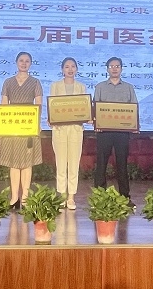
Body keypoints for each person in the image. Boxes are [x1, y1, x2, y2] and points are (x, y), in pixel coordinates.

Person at [0, 52, 43, 208]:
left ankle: (25, 197)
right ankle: (14, 197)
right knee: (13, 163)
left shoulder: (35, 82)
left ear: (31, 63)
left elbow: (38, 105)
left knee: (27, 163)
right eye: (21, 60)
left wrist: (36, 123)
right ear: (16, 62)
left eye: (27, 61)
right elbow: (4, 104)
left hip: (28, 125)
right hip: (12, 125)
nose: (24, 63)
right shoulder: (8, 82)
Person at [93, 57, 138, 210]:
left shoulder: (129, 87)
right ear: (107, 69)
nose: (114, 69)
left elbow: (134, 107)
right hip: (104, 132)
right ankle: (99, 198)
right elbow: (95, 107)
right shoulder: (100, 87)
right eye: (111, 66)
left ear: (121, 68)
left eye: (117, 66)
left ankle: (125, 197)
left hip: (122, 133)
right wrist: (96, 123)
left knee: (122, 165)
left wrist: (134, 125)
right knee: (101, 165)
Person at [49, 57, 88, 210]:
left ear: (77, 69)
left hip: (75, 129)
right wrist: (51, 118)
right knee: (60, 163)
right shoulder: (55, 86)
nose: (70, 69)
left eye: (73, 66)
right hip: (59, 129)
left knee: (73, 163)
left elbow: (84, 108)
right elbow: (52, 106)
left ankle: (71, 197)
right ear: (62, 69)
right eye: (67, 66)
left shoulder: (81, 87)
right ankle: (62, 195)